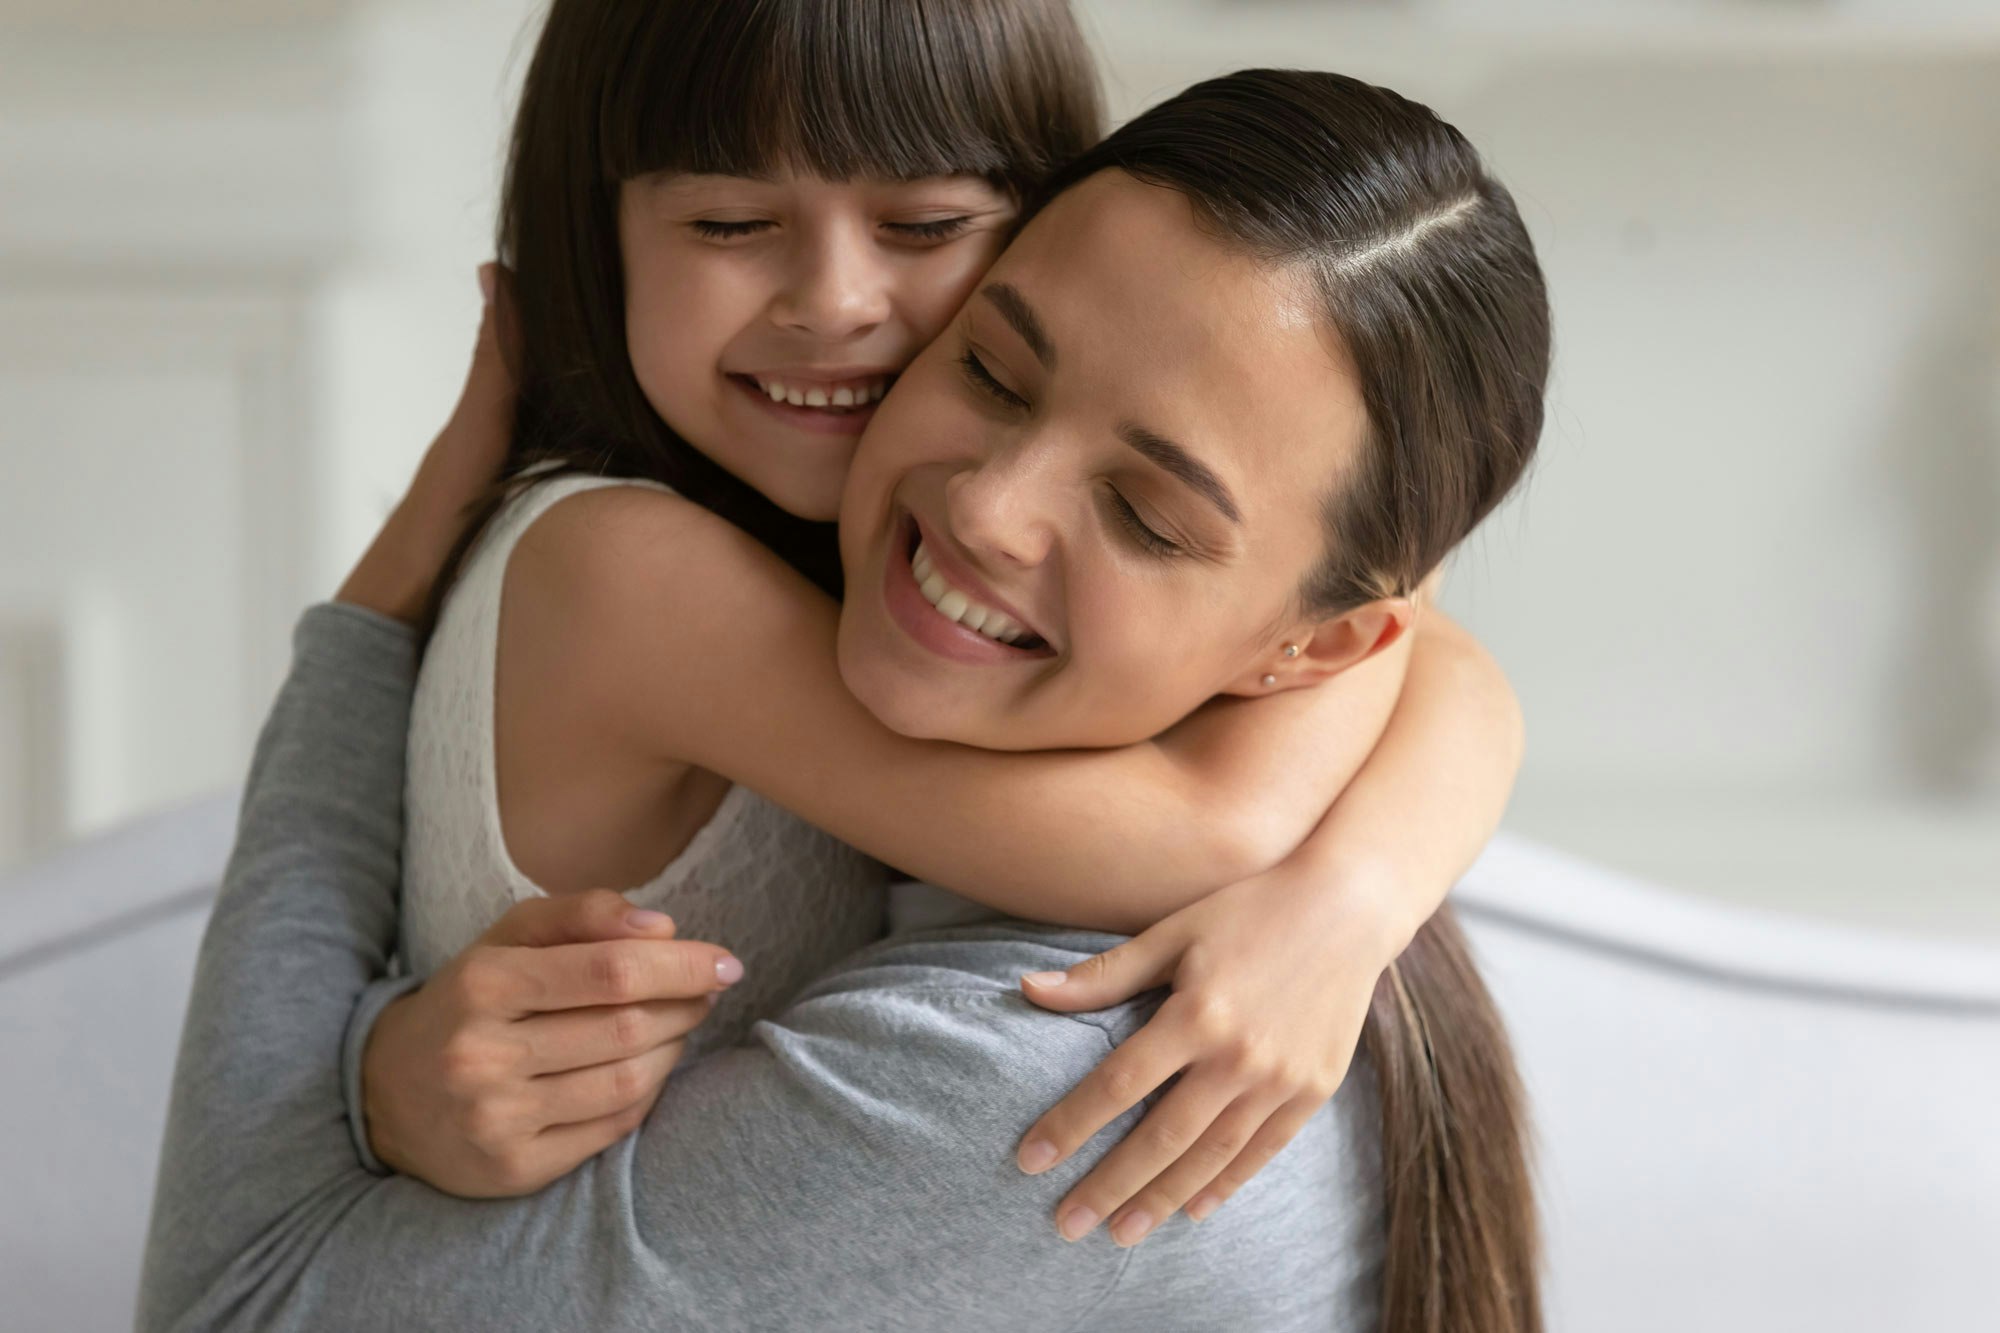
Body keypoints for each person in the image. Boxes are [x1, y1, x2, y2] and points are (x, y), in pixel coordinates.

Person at [138, 69, 1547, 1332]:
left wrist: (369, 625)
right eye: (990, 367)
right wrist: (1356, 888)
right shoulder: (1300, 788)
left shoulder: (1055, 1073)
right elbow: (1424, 655)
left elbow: (231, 1308)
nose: (989, 509)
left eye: (1147, 515)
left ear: (1315, 648)